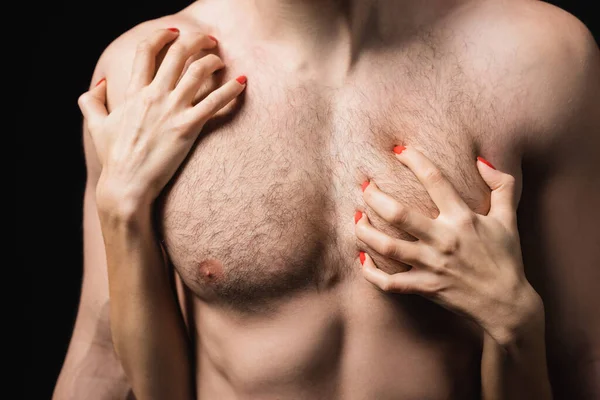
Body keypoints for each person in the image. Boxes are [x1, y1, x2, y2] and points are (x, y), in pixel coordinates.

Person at [54, 0, 600, 399]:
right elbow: (103, 353)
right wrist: (122, 207)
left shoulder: (541, 60)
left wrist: (515, 317)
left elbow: (581, 357)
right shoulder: (148, 75)